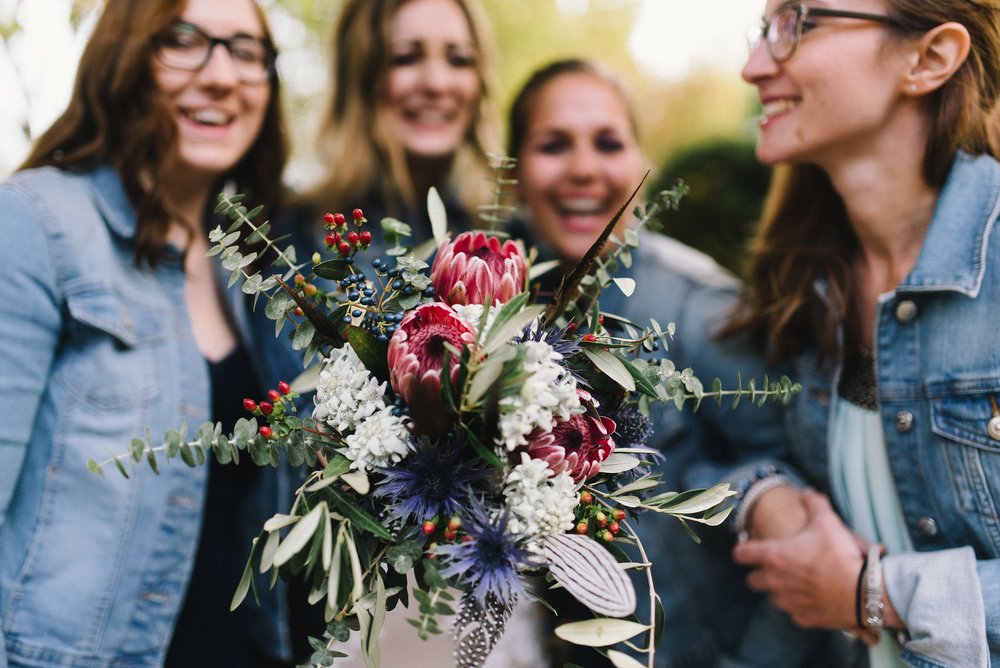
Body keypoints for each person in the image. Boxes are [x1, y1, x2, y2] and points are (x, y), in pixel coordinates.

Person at [0, 0, 308, 665]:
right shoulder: (35, 223)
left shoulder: (259, 271)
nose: (222, 75)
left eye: (246, 50)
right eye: (184, 39)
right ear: (124, 57)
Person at [508, 57, 841, 667]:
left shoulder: (699, 309)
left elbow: (810, 510)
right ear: (516, 175)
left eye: (608, 142)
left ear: (638, 163)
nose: (583, 167)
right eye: (554, 145)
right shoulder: (486, 313)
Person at [720, 2, 1000, 666]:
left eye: (798, 24)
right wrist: (766, 494)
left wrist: (876, 592)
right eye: (765, 30)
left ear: (928, 58)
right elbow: (712, 436)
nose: (753, 66)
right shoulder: (804, 283)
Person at [298, 0, 501, 250]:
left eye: (459, 59)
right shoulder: (300, 238)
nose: (436, 83)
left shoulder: (511, 231)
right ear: (358, 78)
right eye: (405, 58)